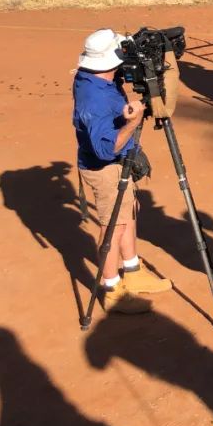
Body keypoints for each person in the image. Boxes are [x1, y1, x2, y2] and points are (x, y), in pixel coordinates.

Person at [73, 29, 172, 315]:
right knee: (113, 224)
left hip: (117, 163)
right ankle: (112, 288)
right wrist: (132, 123)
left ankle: (133, 270)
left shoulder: (96, 77)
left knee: (127, 213)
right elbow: (106, 150)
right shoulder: (95, 100)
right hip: (104, 167)